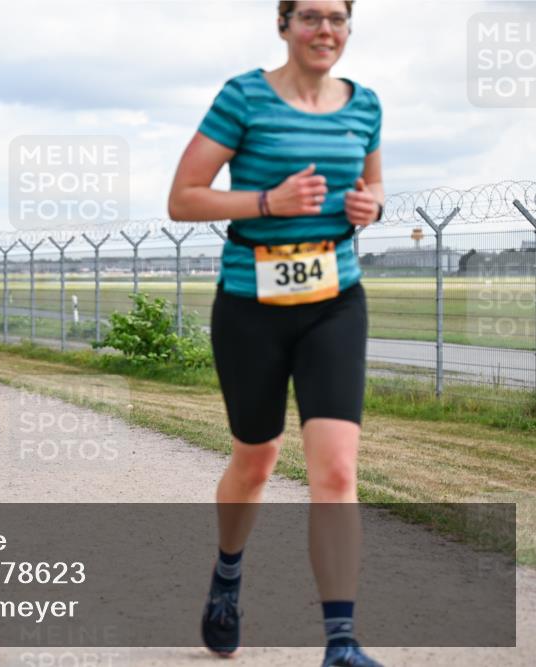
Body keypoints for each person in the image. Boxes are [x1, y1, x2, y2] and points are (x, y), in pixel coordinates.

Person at [168, 2, 384, 666]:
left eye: (338, 18)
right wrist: (268, 202)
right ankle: (227, 575)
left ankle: (341, 643)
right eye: (311, 17)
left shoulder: (365, 105)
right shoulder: (244, 98)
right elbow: (183, 196)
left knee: (336, 470)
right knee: (256, 460)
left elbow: (374, 184)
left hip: (335, 302)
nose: (326, 31)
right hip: (251, 306)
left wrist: (371, 206)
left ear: (349, 27)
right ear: (284, 25)